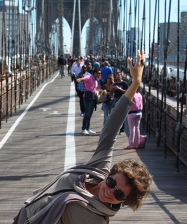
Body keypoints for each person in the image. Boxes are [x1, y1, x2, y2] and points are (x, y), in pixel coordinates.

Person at [13, 50, 152, 224]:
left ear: (124, 201)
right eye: (112, 182)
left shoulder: (96, 219)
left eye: (118, 194)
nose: (110, 191)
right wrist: (135, 84)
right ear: (110, 174)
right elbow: (111, 128)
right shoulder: (97, 169)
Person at [77, 68, 100, 135]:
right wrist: (80, 79)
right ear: (95, 73)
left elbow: (95, 88)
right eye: (98, 73)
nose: (99, 74)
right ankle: (84, 129)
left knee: (90, 114)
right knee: (87, 114)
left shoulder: (96, 80)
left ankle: (88, 128)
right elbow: (85, 78)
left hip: (93, 97)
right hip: (88, 96)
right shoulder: (90, 77)